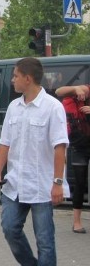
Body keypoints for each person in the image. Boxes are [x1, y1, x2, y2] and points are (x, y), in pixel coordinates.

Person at [0, 57, 69, 265]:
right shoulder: (13, 107)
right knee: (10, 229)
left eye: (15, 76)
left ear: (28, 78)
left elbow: (60, 147)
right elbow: (4, 143)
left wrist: (57, 183)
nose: (12, 80)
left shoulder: (53, 107)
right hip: (15, 183)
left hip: (42, 186)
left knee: (44, 240)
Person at [54, 83, 90, 234]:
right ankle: (76, 222)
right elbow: (58, 90)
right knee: (80, 183)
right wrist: (76, 89)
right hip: (80, 145)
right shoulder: (85, 88)